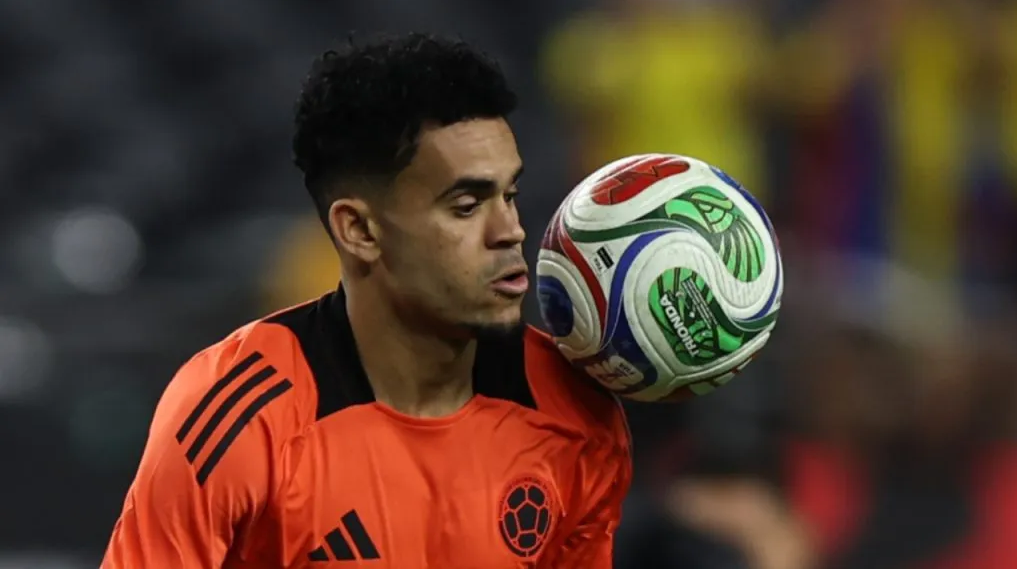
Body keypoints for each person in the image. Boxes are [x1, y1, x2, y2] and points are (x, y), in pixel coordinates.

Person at [100, 33, 631, 568]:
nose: (511, 231)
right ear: (359, 231)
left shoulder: (576, 417)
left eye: (509, 196)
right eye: (467, 206)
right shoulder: (238, 414)